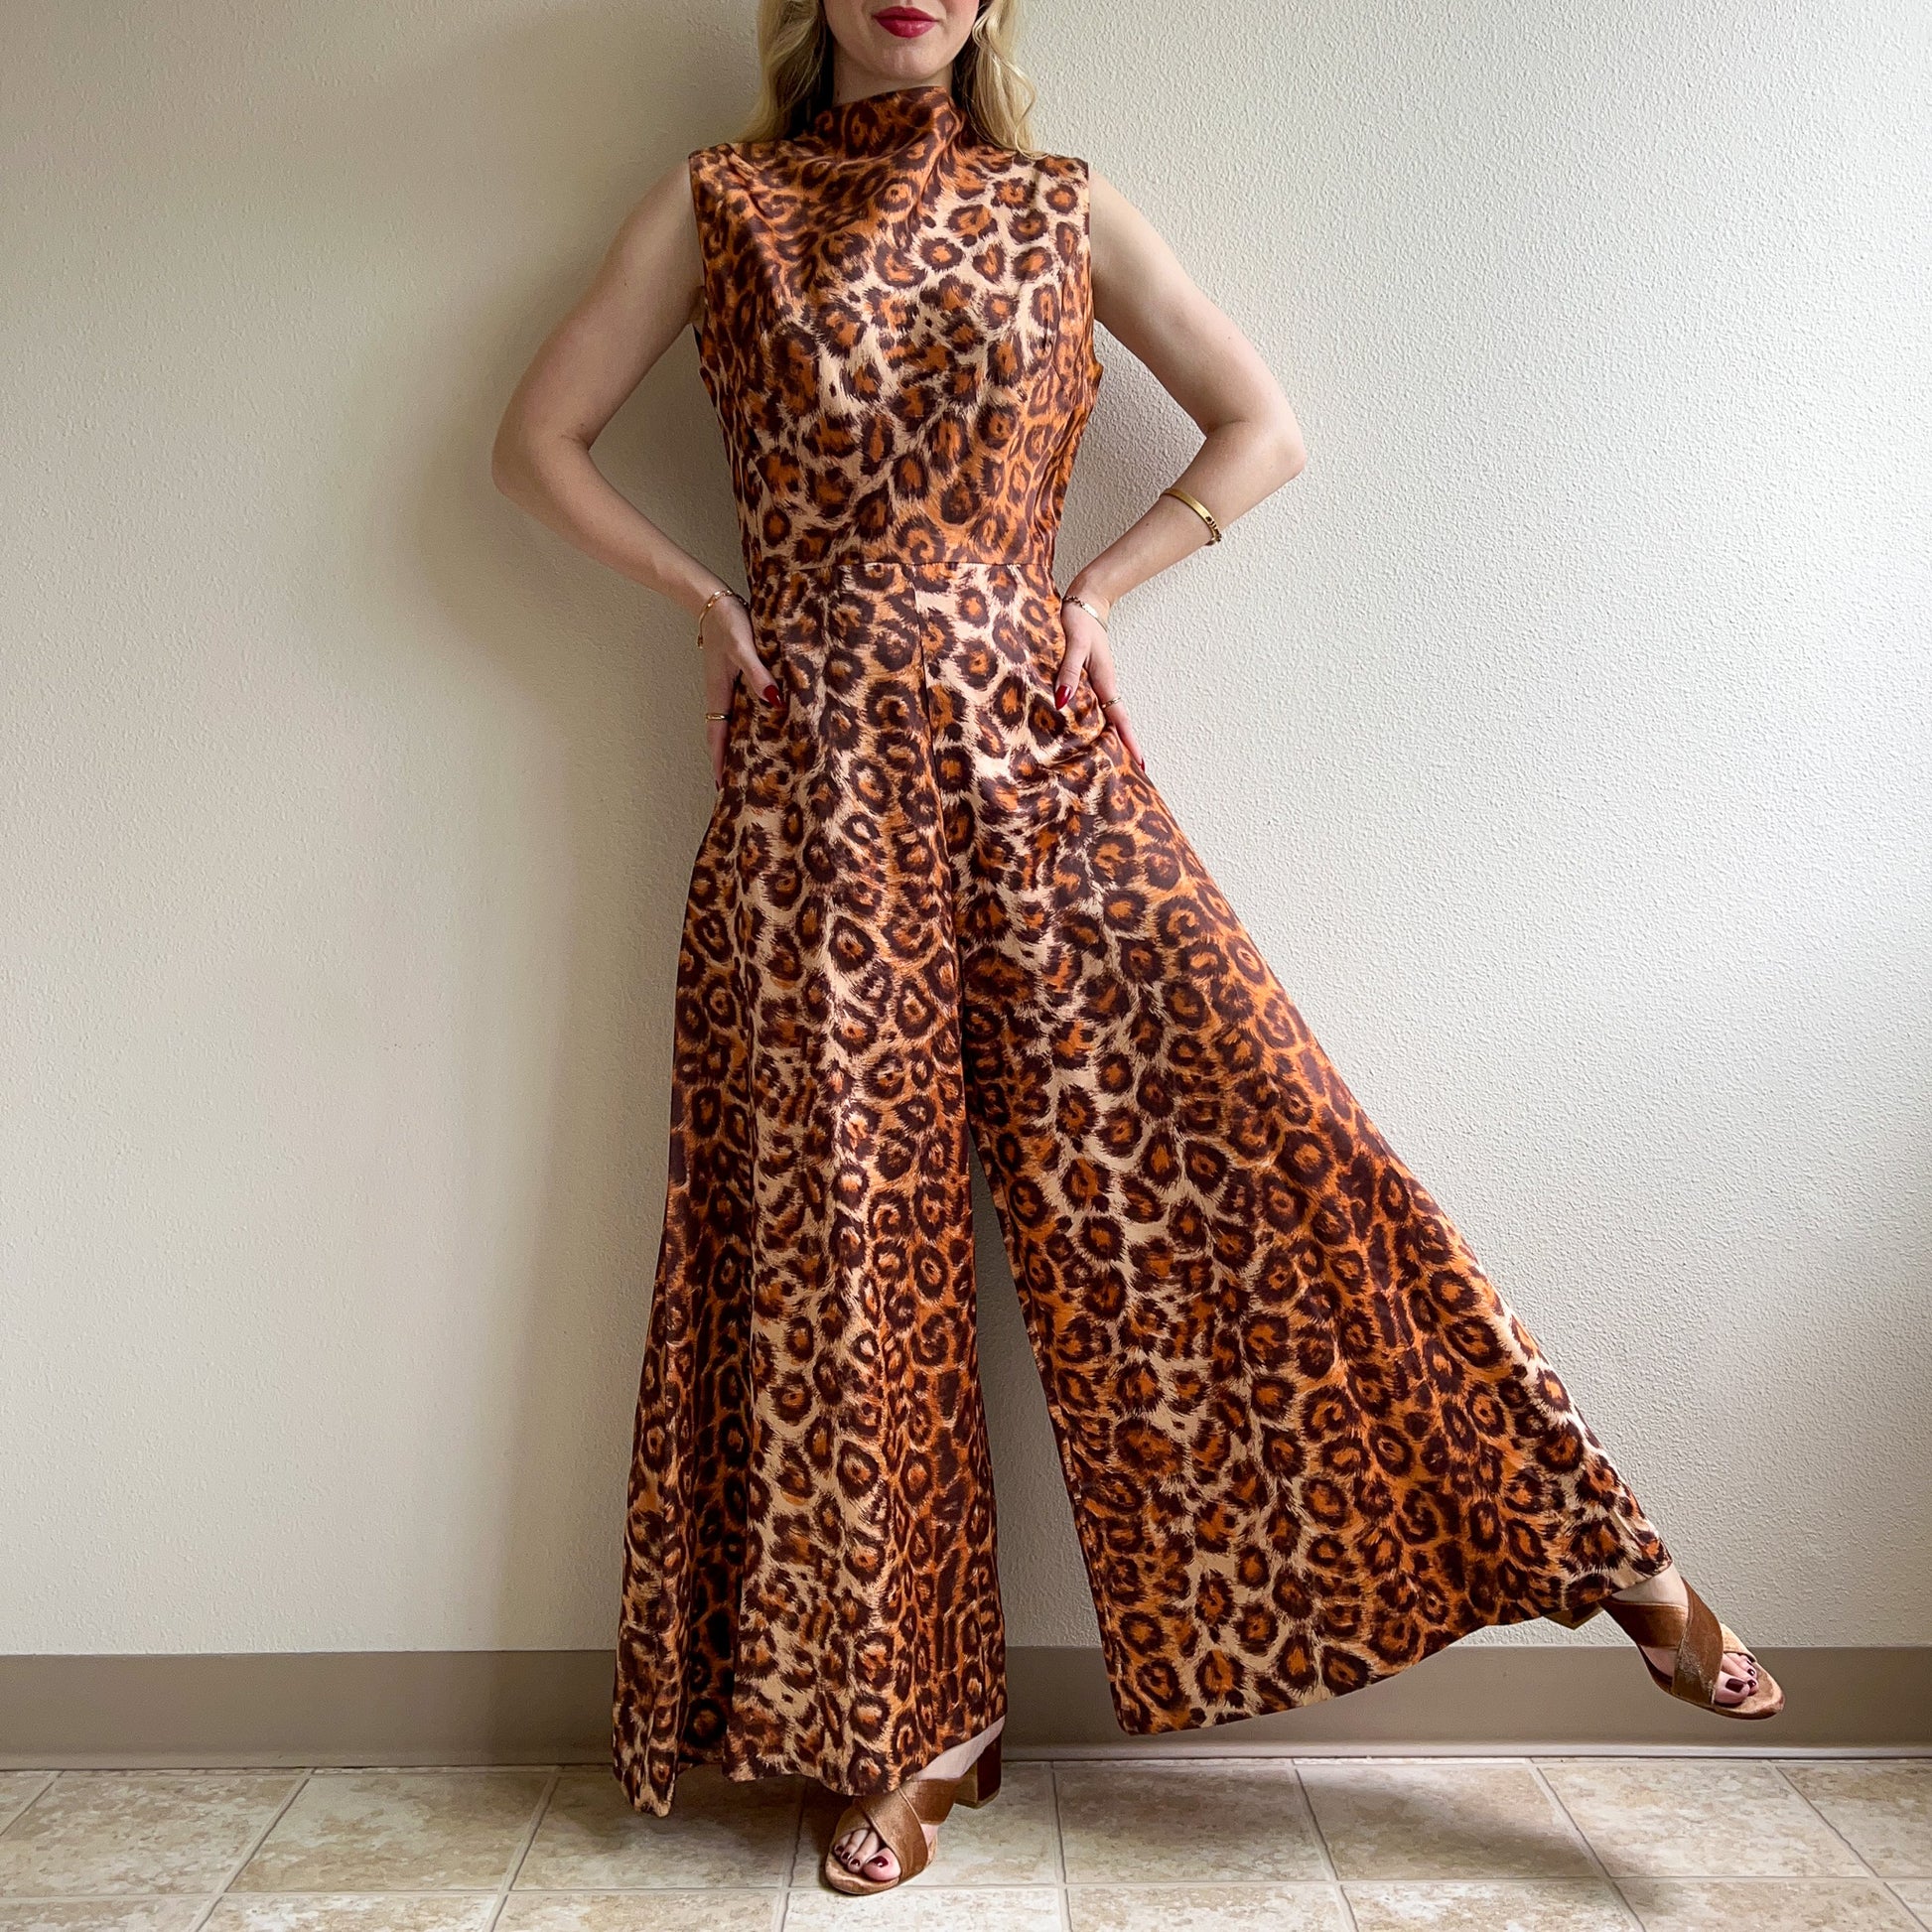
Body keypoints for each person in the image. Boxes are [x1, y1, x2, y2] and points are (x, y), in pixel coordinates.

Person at [490, 0, 1783, 1898]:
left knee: (1263, 1137)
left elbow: (1263, 428)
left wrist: (1103, 580)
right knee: (852, 1258)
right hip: (813, 785)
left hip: (1042, 756)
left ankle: (1604, 1554)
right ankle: (908, 1734)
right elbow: (533, 441)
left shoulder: (1063, 208)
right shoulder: (722, 206)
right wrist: (703, 597)